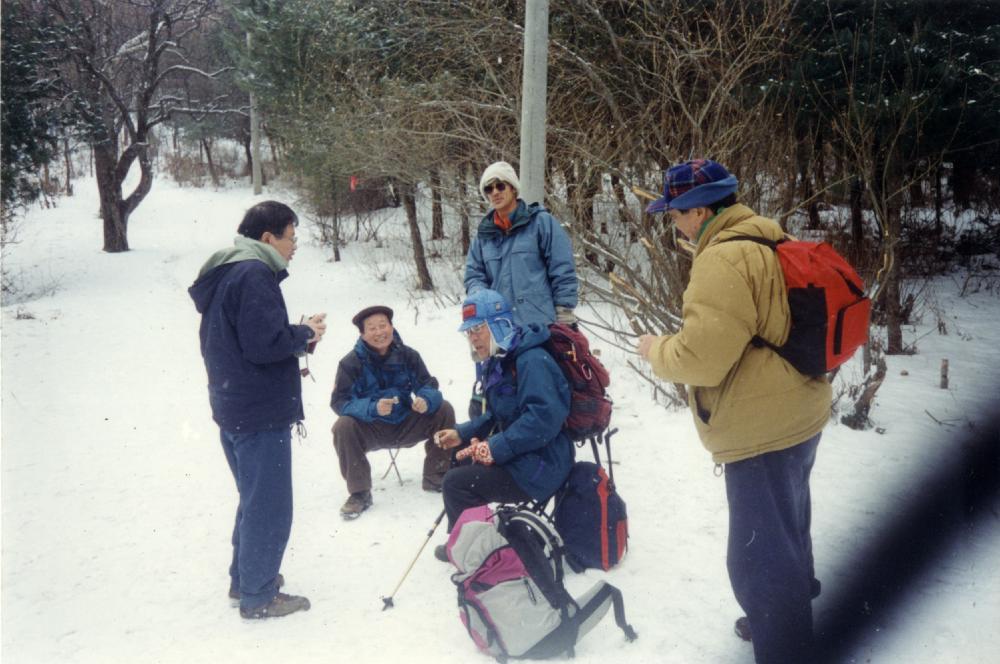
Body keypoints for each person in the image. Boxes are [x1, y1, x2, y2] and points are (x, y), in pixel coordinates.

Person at [635, 159, 831, 663]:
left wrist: (657, 348)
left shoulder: (722, 259)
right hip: (797, 410)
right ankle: (785, 617)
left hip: (761, 427)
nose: (673, 223)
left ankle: (783, 641)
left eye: (676, 214)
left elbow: (700, 358)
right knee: (788, 527)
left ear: (698, 211)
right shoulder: (765, 235)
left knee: (758, 556)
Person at [189, 200, 326, 620]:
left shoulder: (230, 269)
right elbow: (264, 344)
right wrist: (304, 333)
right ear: (268, 238)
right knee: (269, 505)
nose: (295, 245)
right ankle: (259, 595)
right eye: (291, 236)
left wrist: (295, 337)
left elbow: (247, 340)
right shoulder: (253, 274)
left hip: (234, 405)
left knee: (254, 499)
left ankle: (245, 578)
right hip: (258, 411)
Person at [432, 289, 574, 559]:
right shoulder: (502, 359)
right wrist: (461, 433)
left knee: (456, 483)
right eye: (469, 332)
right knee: (459, 461)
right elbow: (498, 414)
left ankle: (477, 553)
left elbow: (543, 419)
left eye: (478, 329)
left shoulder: (531, 360)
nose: (473, 339)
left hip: (544, 464)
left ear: (500, 324)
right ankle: (471, 542)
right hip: (526, 455)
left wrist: (495, 448)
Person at [330, 305, 455, 520]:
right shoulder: (350, 363)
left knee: (443, 408)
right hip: (372, 429)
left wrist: (425, 400)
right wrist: (372, 407)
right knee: (343, 426)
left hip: (406, 423)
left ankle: (437, 475)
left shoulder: (408, 355)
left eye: (383, 325)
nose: (379, 332)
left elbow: (429, 386)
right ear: (362, 334)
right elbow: (340, 402)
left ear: (391, 326)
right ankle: (360, 493)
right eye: (372, 328)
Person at [465, 161, 578, 329]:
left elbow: (562, 267)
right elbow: (474, 275)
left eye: (500, 186)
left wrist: (564, 310)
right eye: (489, 189)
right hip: (500, 328)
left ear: (513, 188)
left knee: (535, 357)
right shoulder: (483, 236)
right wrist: (480, 295)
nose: (495, 192)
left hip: (540, 326)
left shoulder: (541, 223)